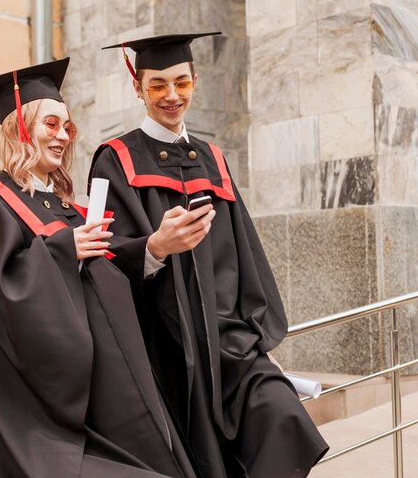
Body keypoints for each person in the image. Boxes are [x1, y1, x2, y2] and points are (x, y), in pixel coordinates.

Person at [0, 58, 200, 478]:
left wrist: (155, 247)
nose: (63, 136)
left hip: (108, 395)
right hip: (38, 411)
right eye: (51, 125)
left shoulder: (68, 210)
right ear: (19, 129)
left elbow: (107, 277)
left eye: (68, 127)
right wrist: (61, 251)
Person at [89, 33, 329, 478]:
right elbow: (99, 260)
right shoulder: (116, 159)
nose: (171, 95)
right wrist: (154, 248)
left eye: (181, 82)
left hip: (228, 344)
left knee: (281, 417)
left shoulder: (212, 158)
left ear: (195, 81)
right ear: (137, 88)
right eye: (157, 84)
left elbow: (246, 254)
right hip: (163, 345)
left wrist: (260, 343)